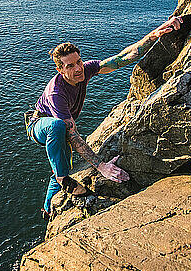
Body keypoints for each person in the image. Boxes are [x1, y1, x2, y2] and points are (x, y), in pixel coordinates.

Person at [26, 16, 182, 220]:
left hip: (60, 128)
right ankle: (63, 178)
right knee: (58, 129)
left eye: (79, 62)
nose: (78, 68)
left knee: (61, 161)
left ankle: (48, 209)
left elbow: (122, 58)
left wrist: (154, 34)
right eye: (70, 66)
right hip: (39, 125)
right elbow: (72, 135)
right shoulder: (57, 93)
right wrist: (101, 166)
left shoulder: (85, 71)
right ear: (60, 70)